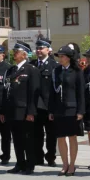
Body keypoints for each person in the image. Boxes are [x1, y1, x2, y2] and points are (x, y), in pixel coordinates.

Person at [5, 42, 40, 175]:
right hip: (13, 110)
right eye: (14, 52)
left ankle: (30, 165)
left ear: (25, 54)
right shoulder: (11, 70)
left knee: (28, 139)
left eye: (17, 52)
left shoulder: (31, 70)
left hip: (25, 111)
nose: (14, 54)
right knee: (17, 139)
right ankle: (20, 163)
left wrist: (31, 112)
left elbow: (33, 93)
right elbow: (7, 91)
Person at [50, 45, 85, 176]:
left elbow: (81, 92)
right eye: (59, 56)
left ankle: (72, 164)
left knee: (72, 137)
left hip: (72, 108)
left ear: (69, 58)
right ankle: (64, 164)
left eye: (62, 56)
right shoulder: (56, 71)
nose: (60, 58)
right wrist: (51, 110)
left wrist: (81, 111)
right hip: (58, 108)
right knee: (60, 137)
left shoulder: (77, 71)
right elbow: (52, 92)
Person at [34, 38, 57, 167]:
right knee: (36, 133)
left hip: (48, 106)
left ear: (48, 50)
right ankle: (38, 157)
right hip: (35, 105)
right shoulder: (32, 64)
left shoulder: (54, 66)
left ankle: (51, 157)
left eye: (41, 48)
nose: (38, 50)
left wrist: (53, 108)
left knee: (51, 134)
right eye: (37, 48)